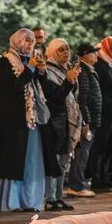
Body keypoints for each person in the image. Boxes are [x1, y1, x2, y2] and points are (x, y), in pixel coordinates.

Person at [0, 28, 47, 212]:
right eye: (27, 40)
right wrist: (29, 68)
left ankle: (29, 199)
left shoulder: (25, 61)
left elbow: (37, 88)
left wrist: (40, 71)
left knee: (30, 158)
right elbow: (12, 87)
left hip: (29, 118)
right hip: (11, 118)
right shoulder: (6, 60)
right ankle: (12, 201)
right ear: (17, 41)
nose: (31, 44)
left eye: (32, 41)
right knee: (12, 158)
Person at [41, 39, 81, 211]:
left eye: (67, 49)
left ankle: (59, 196)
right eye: (61, 50)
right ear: (52, 53)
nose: (66, 52)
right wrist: (69, 81)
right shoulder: (47, 71)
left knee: (64, 160)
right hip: (54, 120)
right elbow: (56, 96)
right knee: (54, 161)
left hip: (66, 120)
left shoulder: (66, 69)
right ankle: (50, 198)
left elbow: (74, 97)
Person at [89, 35, 112, 194]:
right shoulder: (100, 66)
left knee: (108, 149)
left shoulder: (109, 65)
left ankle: (104, 178)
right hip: (103, 116)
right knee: (99, 148)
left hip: (111, 117)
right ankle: (97, 180)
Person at [66, 42, 102, 198]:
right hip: (86, 122)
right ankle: (76, 185)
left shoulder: (89, 70)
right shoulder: (83, 72)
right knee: (81, 154)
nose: (96, 54)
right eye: (93, 52)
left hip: (91, 120)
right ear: (84, 55)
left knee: (83, 153)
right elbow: (83, 98)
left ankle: (78, 183)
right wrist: (85, 122)